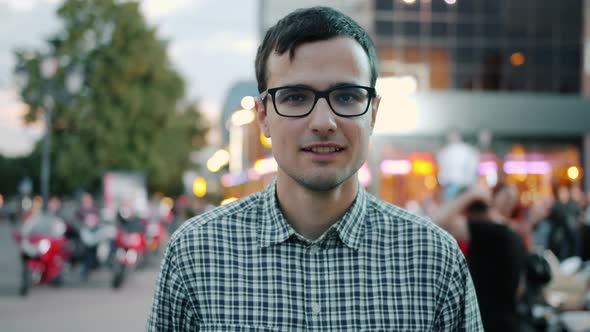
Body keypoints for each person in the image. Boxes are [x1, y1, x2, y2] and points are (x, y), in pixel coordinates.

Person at [147, 7, 482, 331]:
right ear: (264, 116)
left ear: (373, 113)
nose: (323, 122)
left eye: (347, 96)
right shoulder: (195, 253)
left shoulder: (434, 259)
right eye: (295, 97)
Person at [432, 186, 528, 332]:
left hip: (486, 323)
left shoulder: (490, 232)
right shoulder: (514, 235)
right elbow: (520, 289)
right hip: (508, 322)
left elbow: (435, 222)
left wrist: (471, 194)